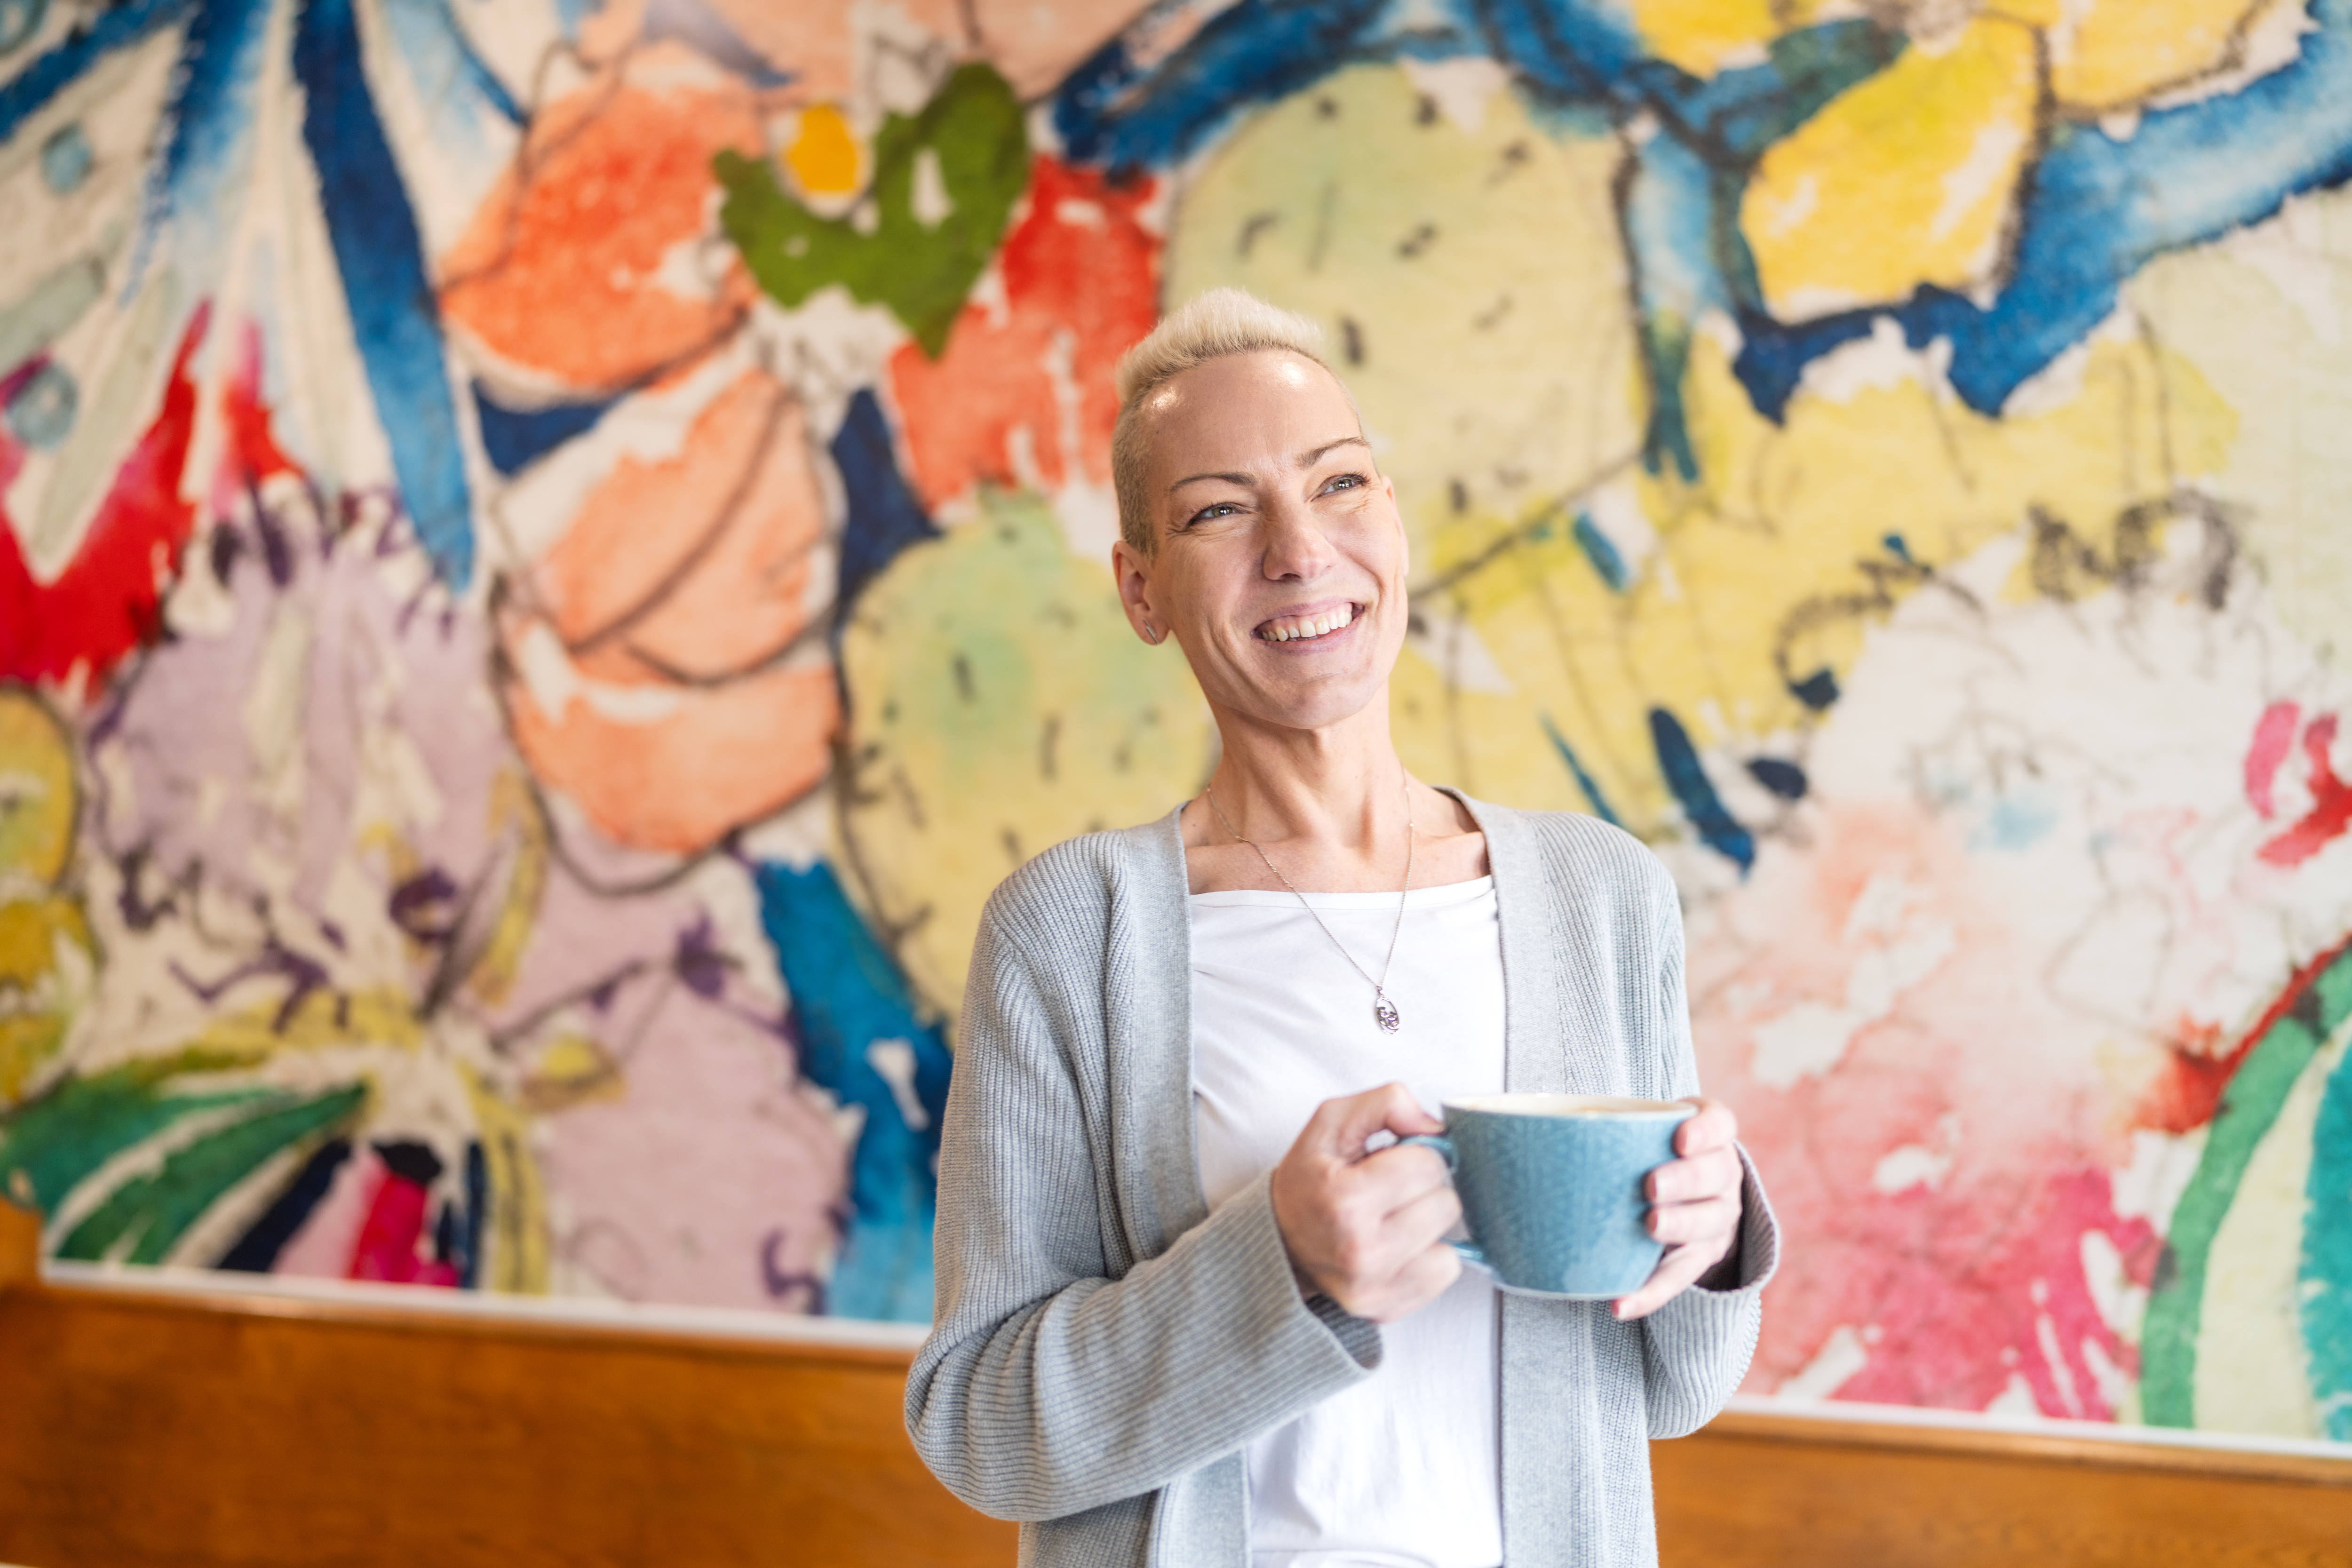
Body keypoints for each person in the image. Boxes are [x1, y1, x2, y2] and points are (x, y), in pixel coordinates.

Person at [905, 288, 1779, 1567]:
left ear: (1396, 527)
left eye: (1341, 484)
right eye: (1218, 509)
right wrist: (1283, 1268)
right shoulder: (1069, 933)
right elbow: (982, 1423)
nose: (1300, 549)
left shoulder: (1602, 895)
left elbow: (1673, 1387)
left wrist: (1707, 1240)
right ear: (1141, 591)